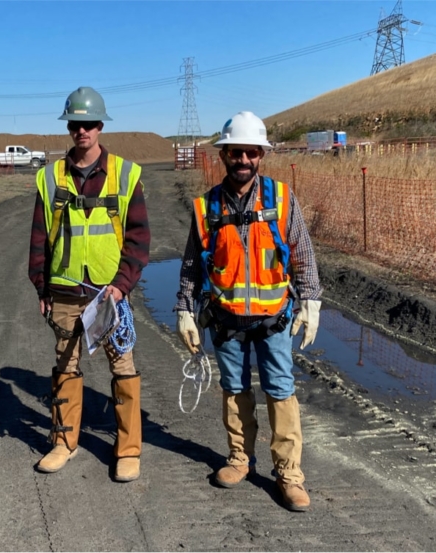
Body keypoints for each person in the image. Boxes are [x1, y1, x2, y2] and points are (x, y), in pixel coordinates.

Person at [175, 111, 321, 511]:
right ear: (224, 155)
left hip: (274, 320)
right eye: (236, 152)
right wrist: (185, 309)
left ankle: (289, 474)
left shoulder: (281, 197)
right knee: (234, 389)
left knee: (280, 391)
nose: (243, 160)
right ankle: (240, 458)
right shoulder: (206, 207)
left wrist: (310, 300)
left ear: (261, 155)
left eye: (251, 153)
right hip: (226, 321)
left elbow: (303, 254)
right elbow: (192, 263)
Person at [28, 86, 150, 482]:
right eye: (76, 124)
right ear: (70, 127)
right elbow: (38, 240)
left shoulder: (126, 175)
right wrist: (42, 288)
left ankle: (127, 450)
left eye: (90, 124)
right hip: (64, 292)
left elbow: (138, 240)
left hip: (108, 295)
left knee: (123, 366)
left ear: (101, 126)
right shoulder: (49, 179)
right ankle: (63, 443)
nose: (83, 131)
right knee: (65, 366)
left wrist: (120, 286)